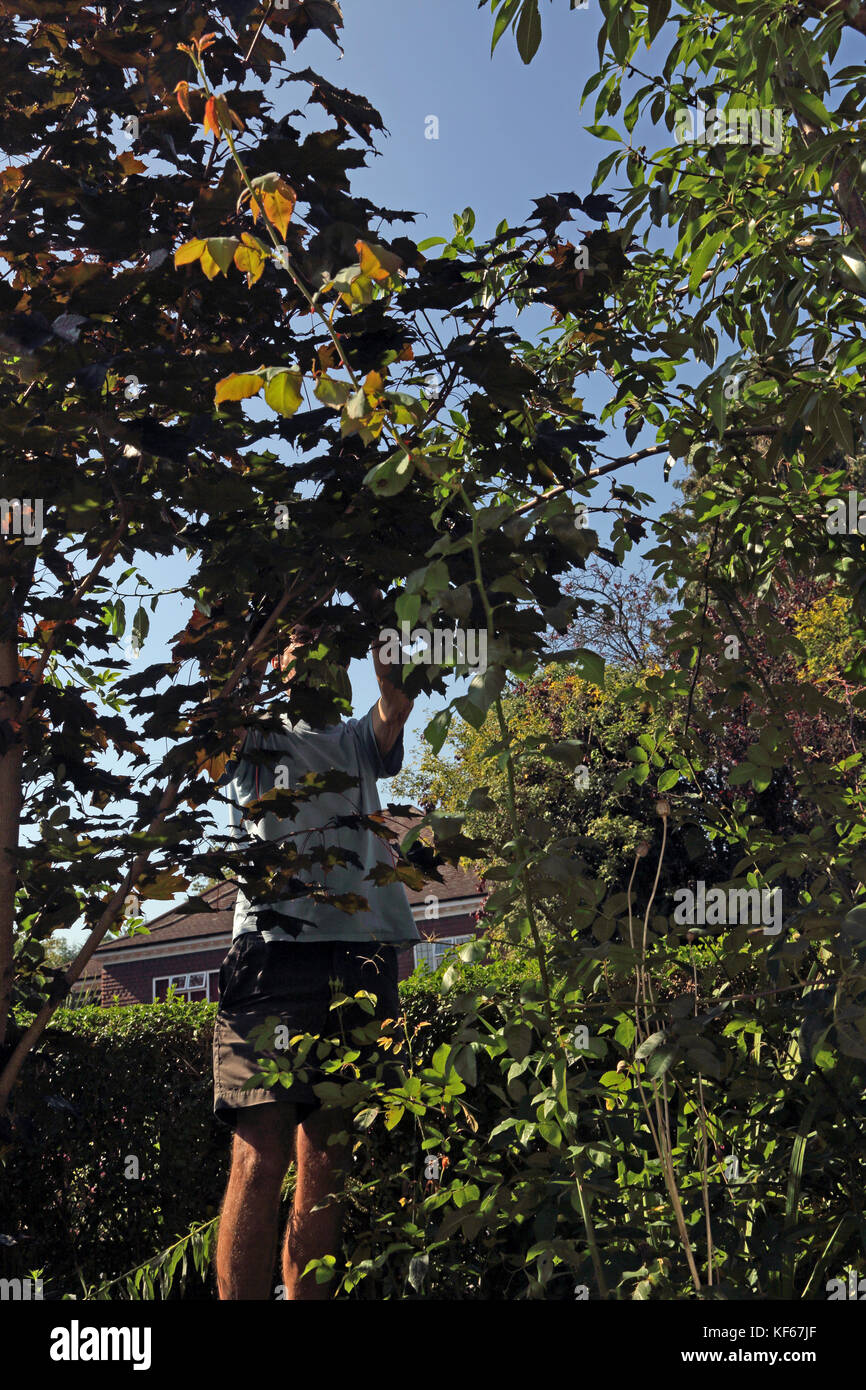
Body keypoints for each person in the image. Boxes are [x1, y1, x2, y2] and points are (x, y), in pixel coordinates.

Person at [211, 621, 418, 1300]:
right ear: (276, 660)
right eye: (301, 645)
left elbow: (393, 709)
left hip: (359, 956)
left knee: (328, 1157)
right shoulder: (254, 735)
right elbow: (215, 702)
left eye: (331, 646)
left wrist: (395, 665)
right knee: (259, 1153)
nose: (319, 656)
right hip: (273, 955)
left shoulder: (358, 739)